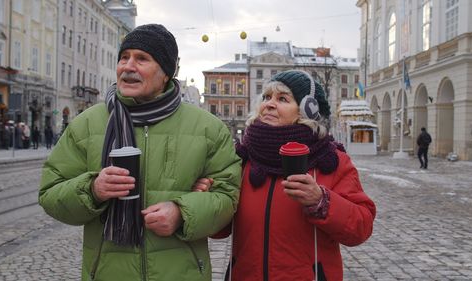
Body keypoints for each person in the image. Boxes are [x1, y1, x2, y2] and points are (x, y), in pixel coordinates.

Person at [38, 23, 241, 281]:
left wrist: (182, 213)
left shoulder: (208, 128)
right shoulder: (86, 124)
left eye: (142, 58)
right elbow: (50, 193)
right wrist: (93, 189)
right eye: (124, 57)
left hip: (182, 273)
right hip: (107, 273)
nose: (128, 66)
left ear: (166, 72)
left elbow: (227, 198)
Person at [195, 70, 376, 281]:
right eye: (266, 97)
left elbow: (361, 228)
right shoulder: (240, 159)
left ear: (307, 110)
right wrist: (208, 201)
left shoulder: (331, 161)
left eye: (282, 99)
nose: (269, 104)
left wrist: (322, 201)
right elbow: (219, 231)